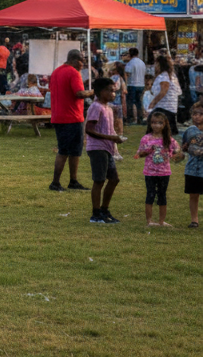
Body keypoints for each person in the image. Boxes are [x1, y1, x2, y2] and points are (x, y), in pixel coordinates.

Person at [49, 49, 94, 193]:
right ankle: (56, 182)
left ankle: (73, 181)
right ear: (75, 60)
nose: (83, 64)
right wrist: (94, 92)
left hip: (58, 116)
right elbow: (79, 93)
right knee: (65, 151)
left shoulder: (56, 71)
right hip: (71, 117)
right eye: (82, 61)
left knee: (75, 151)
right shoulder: (74, 73)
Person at [85, 78, 126, 226]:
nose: (113, 93)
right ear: (100, 92)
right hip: (97, 148)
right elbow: (89, 129)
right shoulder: (96, 107)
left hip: (107, 148)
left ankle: (104, 209)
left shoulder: (108, 108)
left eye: (114, 90)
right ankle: (96, 214)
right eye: (110, 90)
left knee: (114, 179)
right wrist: (111, 137)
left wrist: (114, 141)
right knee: (99, 180)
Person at [137, 110, 182, 227]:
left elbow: (178, 152)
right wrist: (147, 150)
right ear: (150, 124)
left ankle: (161, 221)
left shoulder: (169, 139)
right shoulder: (146, 138)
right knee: (150, 195)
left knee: (162, 195)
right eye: (153, 122)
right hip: (150, 172)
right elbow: (139, 154)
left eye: (159, 123)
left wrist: (177, 155)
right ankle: (149, 221)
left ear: (165, 124)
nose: (156, 125)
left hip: (164, 172)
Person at [146, 54, 182, 136]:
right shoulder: (171, 76)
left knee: (154, 125)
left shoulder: (163, 76)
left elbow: (163, 91)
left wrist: (153, 103)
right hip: (170, 107)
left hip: (164, 106)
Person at [182, 101, 203, 229]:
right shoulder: (189, 130)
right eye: (194, 114)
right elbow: (184, 146)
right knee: (194, 194)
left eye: (201, 114)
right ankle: (194, 219)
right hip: (192, 168)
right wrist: (184, 148)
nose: (197, 117)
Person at [124, 47, 147, 125]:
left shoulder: (130, 63)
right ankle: (140, 118)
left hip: (132, 84)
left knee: (130, 102)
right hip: (141, 84)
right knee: (139, 102)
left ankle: (130, 118)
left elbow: (127, 73)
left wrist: (125, 84)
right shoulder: (142, 63)